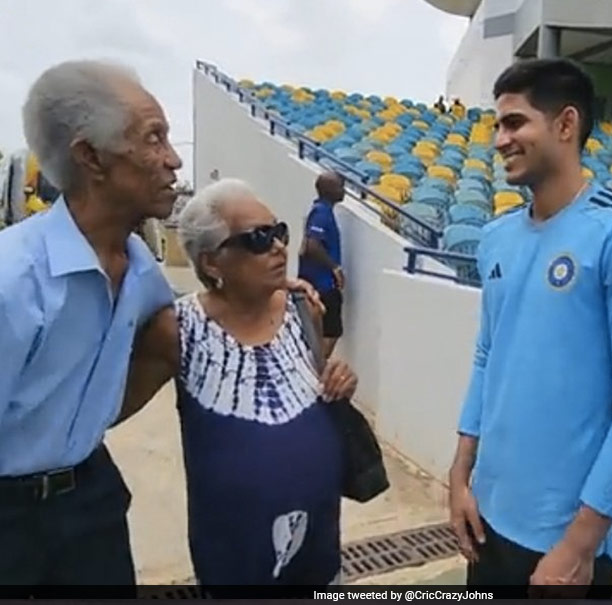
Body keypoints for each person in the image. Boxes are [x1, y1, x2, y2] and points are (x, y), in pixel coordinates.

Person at [448, 58, 612, 596]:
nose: (500, 139)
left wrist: (581, 541)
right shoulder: (497, 237)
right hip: (487, 516)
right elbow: (487, 356)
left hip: (565, 540)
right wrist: (461, 475)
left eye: (515, 122)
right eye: (497, 125)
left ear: (566, 125)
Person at [120, 178, 357, 588]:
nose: (279, 246)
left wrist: (339, 380)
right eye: (258, 238)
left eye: (279, 231)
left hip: (319, 542)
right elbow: (111, 407)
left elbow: (316, 385)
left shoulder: (302, 308)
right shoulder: (176, 330)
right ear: (212, 262)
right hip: (234, 556)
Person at [0, 60, 181, 586]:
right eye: (154, 139)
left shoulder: (144, 274)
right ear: (90, 157)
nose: (172, 161)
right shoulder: (13, 281)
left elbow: (159, 349)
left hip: (91, 501)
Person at [299, 171, 346, 359]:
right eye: (340, 186)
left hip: (322, 283)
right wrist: (335, 268)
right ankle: (313, 371)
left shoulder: (324, 211)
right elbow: (312, 245)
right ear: (329, 189)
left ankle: (313, 369)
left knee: (326, 332)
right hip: (321, 284)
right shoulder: (321, 213)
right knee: (329, 332)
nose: (344, 190)